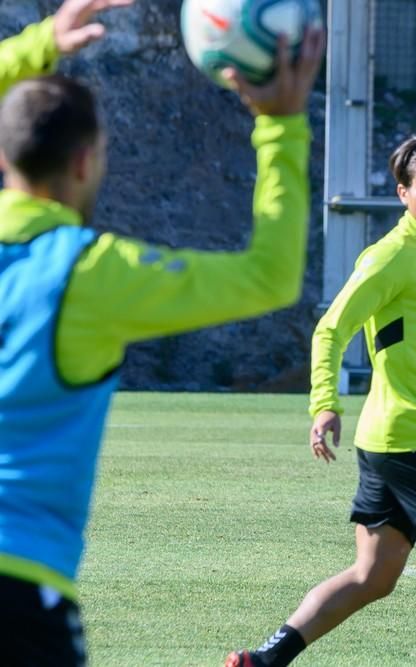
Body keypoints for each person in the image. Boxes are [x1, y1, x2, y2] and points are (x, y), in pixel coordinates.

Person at [0, 1, 325, 664]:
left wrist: (36, 44)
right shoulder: (91, 274)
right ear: (88, 162)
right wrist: (281, 125)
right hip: (20, 590)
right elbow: (270, 276)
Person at [225, 129, 416, 667]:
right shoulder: (390, 255)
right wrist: (324, 404)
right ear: (403, 193)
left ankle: (264, 660)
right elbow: (330, 330)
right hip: (413, 439)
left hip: (389, 445)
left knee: (373, 576)